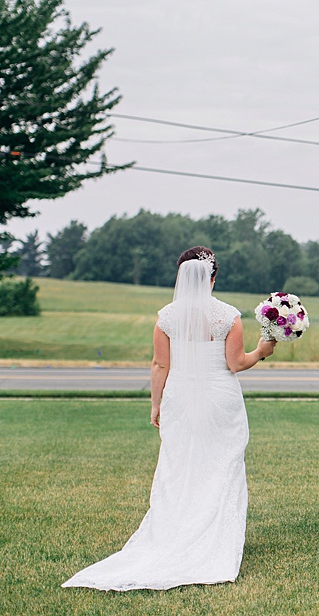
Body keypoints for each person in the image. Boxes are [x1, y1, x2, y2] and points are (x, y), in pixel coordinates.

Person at [63, 247, 276, 591]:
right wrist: (262, 351)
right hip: (219, 399)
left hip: (179, 395)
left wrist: (155, 404)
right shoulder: (227, 316)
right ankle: (216, 539)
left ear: (181, 277)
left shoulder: (167, 317)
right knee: (222, 463)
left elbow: (160, 365)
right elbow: (236, 364)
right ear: (213, 278)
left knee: (180, 466)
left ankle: (178, 532)